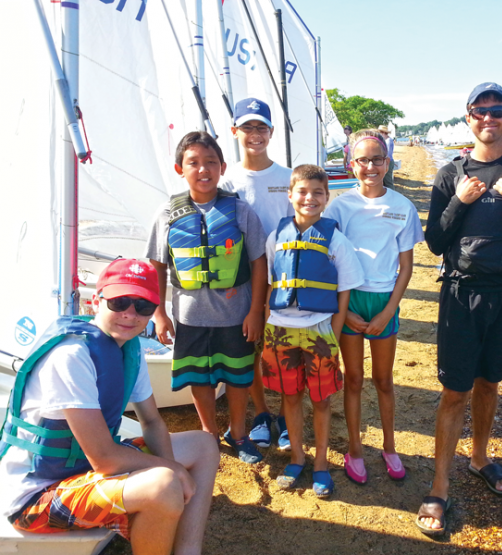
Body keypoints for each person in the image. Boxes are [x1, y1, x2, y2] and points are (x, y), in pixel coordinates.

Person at [0, 259, 219, 554]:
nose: (130, 314)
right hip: (38, 496)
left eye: (143, 306)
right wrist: (172, 471)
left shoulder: (129, 349)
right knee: (163, 484)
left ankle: (187, 551)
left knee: (203, 444)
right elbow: (104, 459)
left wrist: (175, 468)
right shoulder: (71, 356)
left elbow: (152, 422)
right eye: (119, 302)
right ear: (95, 301)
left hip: (84, 471)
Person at [418, 82, 502, 536]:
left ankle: (479, 458)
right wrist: (461, 201)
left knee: (490, 383)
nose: (489, 118)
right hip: (460, 292)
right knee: (455, 391)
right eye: (481, 111)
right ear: (469, 117)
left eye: (497, 110)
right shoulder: (450, 174)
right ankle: (439, 484)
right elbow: (435, 242)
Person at [146, 131, 268, 465]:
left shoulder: (240, 211)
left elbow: (259, 262)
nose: (203, 169)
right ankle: (208, 431)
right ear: (179, 169)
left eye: (211, 162)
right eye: (194, 163)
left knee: (238, 374)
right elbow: (156, 266)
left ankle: (239, 433)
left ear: (222, 167)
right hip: (189, 316)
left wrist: (256, 310)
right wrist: (159, 313)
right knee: (199, 375)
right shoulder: (166, 215)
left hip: (236, 313)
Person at [324, 129, 424, 487]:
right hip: (350, 299)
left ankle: (390, 446)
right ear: (352, 165)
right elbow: (328, 259)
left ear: (387, 163)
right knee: (352, 379)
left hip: (384, 301)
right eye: (363, 160)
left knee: (383, 380)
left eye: (377, 159)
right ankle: (354, 449)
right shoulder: (338, 206)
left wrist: (388, 312)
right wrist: (343, 310)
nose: (370, 166)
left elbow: (407, 266)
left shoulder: (402, 207)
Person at [261, 164, 364, 498]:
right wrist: (267, 325)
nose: (309, 198)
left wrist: (332, 333)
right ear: (290, 195)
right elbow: (271, 284)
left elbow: (344, 290)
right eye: (302, 192)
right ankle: (296, 456)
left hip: (320, 332)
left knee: (321, 400)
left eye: (317, 192)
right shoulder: (275, 237)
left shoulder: (336, 238)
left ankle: (320, 462)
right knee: (290, 397)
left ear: (326, 197)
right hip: (280, 330)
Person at [220, 97, 294, 452]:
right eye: (247, 127)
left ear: (271, 132)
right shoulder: (227, 178)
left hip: (283, 276)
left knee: (280, 348)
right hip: (243, 277)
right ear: (235, 132)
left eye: (261, 127)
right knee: (250, 347)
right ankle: (262, 413)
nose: (254, 134)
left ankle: (284, 416)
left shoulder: (287, 177)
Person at [378, 124, 395, 190]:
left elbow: (388, 154)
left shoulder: (388, 141)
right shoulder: (386, 140)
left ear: (382, 132)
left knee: (388, 182)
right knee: (385, 181)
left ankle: (392, 196)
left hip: (388, 162)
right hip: (386, 162)